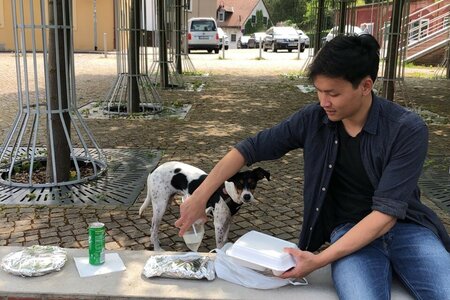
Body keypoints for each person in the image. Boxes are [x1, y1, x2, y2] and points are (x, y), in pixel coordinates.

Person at [175, 34, 450, 299]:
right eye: (318, 91)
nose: (323, 102)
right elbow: (248, 149)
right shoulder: (313, 119)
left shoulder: (406, 129)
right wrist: (200, 196)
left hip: (408, 230)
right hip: (347, 232)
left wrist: (318, 260)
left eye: (333, 93)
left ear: (366, 86)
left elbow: (385, 215)